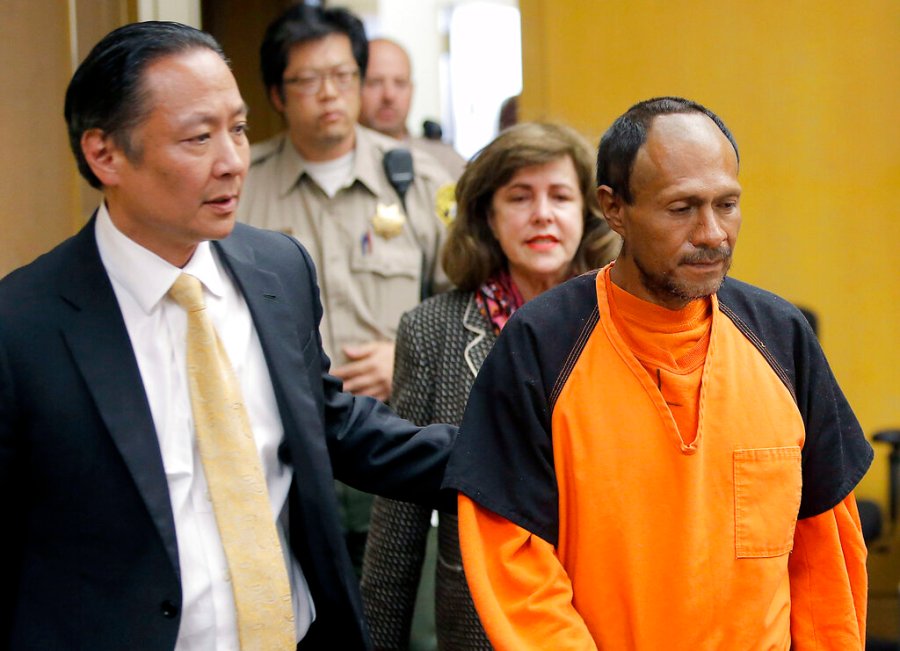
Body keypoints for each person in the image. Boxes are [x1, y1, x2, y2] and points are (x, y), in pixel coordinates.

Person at [0, 21, 455, 651]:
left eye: (238, 129)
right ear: (104, 154)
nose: (232, 161)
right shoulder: (24, 325)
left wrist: (511, 456)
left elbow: (327, 425)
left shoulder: (277, 269)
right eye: (198, 137)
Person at [442, 97, 873, 650]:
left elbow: (825, 558)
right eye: (681, 208)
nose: (713, 233)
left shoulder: (781, 338)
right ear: (613, 208)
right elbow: (516, 567)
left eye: (727, 203)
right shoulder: (540, 347)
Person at [361, 123, 620, 650]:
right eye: (519, 197)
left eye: (560, 196)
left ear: (589, 214)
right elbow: (399, 522)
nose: (542, 213)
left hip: (608, 621)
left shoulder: (626, 323)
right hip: (483, 626)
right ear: (487, 216)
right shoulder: (431, 330)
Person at [238, 4, 455, 574]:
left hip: (395, 436)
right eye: (308, 80)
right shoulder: (240, 190)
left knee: (403, 615)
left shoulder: (421, 181)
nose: (329, 93)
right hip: (284, 445)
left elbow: (464, 309)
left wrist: (406, 359)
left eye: (343, 76)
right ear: (278, 95)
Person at [360, 38, 466, 178]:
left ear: (411, 90)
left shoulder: (447, 164)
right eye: (374, 83)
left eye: (400, 83)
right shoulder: (335, 162)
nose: (389, 95)